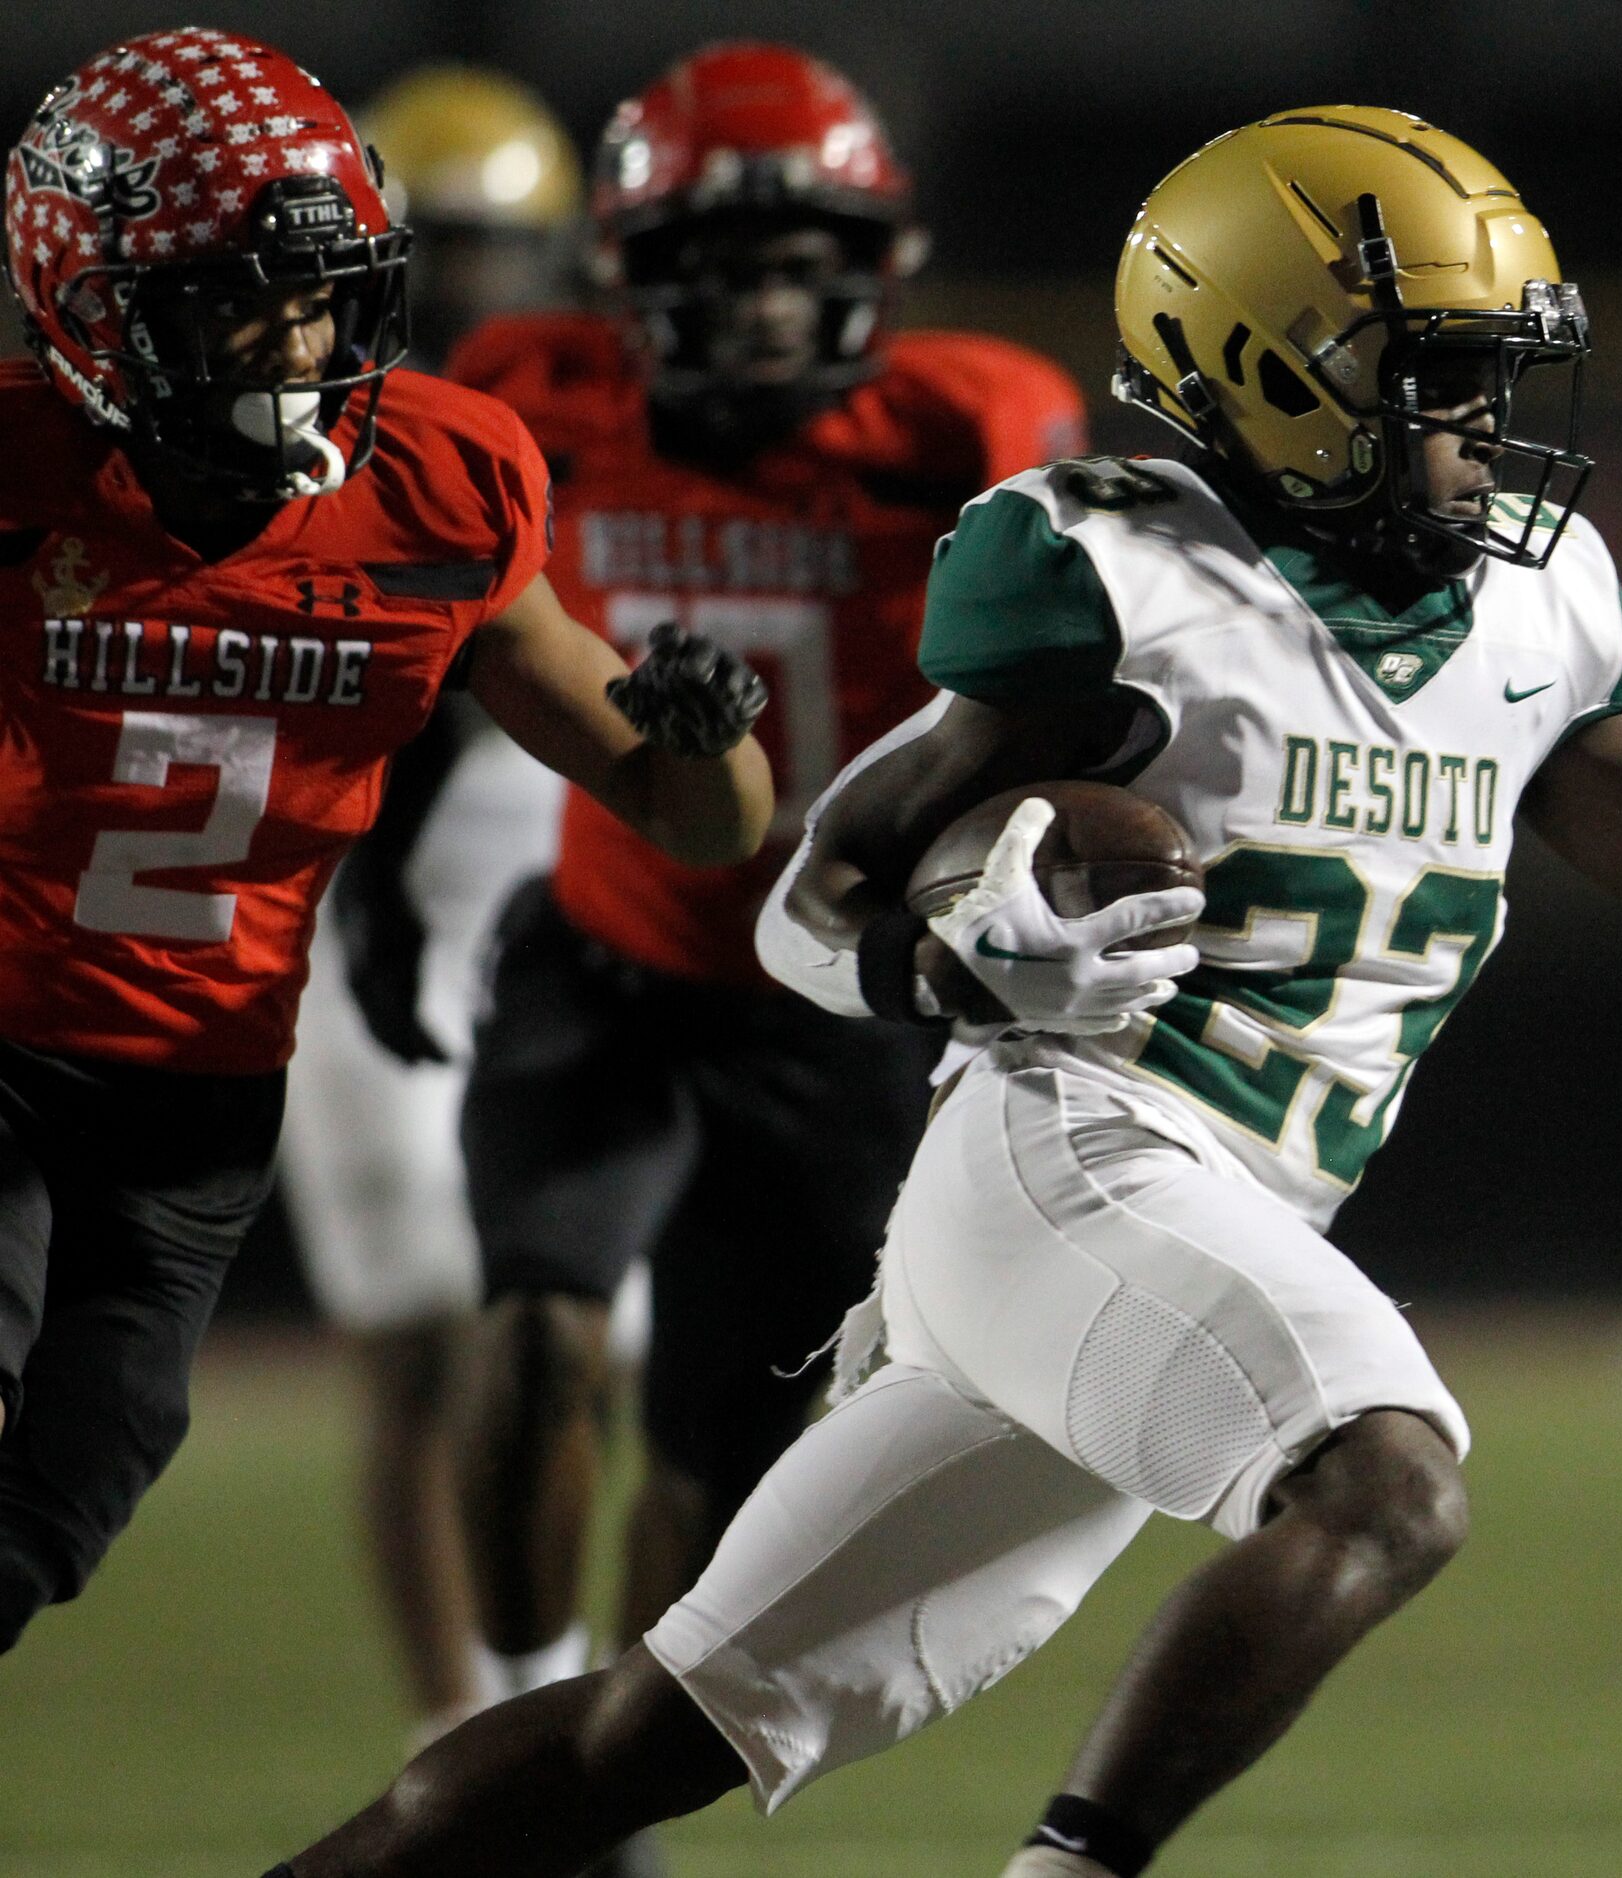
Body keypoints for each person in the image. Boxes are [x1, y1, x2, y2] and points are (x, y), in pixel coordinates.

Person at [265, 105, 1622, 1878]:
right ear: (1258, 360)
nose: (1480, 426)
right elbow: (813, 903)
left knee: (662, 1731)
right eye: (1433, 375)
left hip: (1194, 1219)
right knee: (1387, 1479)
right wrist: (957, 953)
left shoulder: (1540, 601)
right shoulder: (1105, 568)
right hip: (1074, 1155)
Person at [0, 27, 774, 1658]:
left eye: (321, 292)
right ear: (89, 314)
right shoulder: (22, 469)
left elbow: (694, 817)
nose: (292, 343)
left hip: (196, 1084)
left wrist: (708, 738)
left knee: (76, 1480)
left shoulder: (441, 474)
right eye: (232, 302)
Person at [433, 32, 1087, 1771]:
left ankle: (581, 1775)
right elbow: (450, 630)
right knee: (533, 1330)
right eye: (720, 272)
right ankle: (504, 1705)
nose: (764, 312)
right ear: (631, 275)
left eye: (800, 269)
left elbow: (1077, 695)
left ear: (874, 270)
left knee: (721, 1461)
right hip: (610, 954)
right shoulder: (531, 388)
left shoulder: (973, 425)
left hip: (833, 1002)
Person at [269, 63, 589, 1750]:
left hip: (548, 921)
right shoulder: (292, 426)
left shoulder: (564, 420)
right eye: (440, 249)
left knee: (569, 1341)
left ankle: (543, 1709)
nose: (472, 289)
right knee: (415, 1345)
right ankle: (455, 1729)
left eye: (500, 249)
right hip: (349, 903)